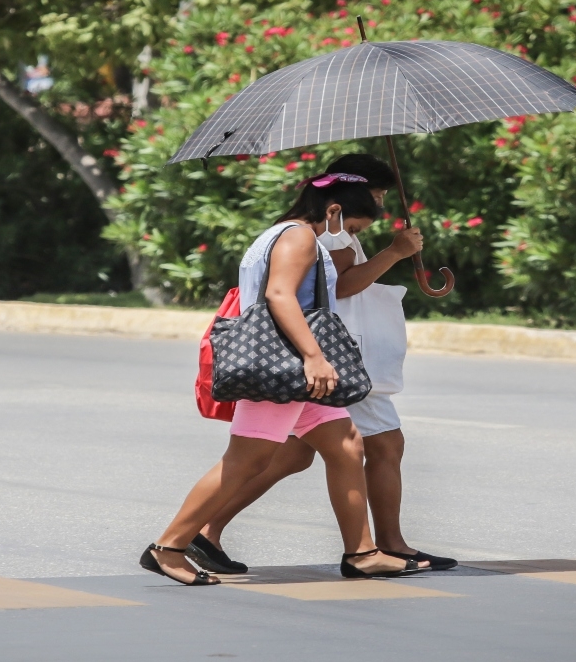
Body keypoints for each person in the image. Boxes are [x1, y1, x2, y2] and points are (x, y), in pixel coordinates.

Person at [140, 175, 429, 585]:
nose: (349, 237)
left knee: (347, 446)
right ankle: (168, 547)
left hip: (290, 368)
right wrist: (313, 356)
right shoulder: (299, 238)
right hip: (284, 365)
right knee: (247, 459)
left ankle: (362, 553)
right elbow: (280, 295)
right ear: (332, 211)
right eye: (351, 228)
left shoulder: (279, 233)